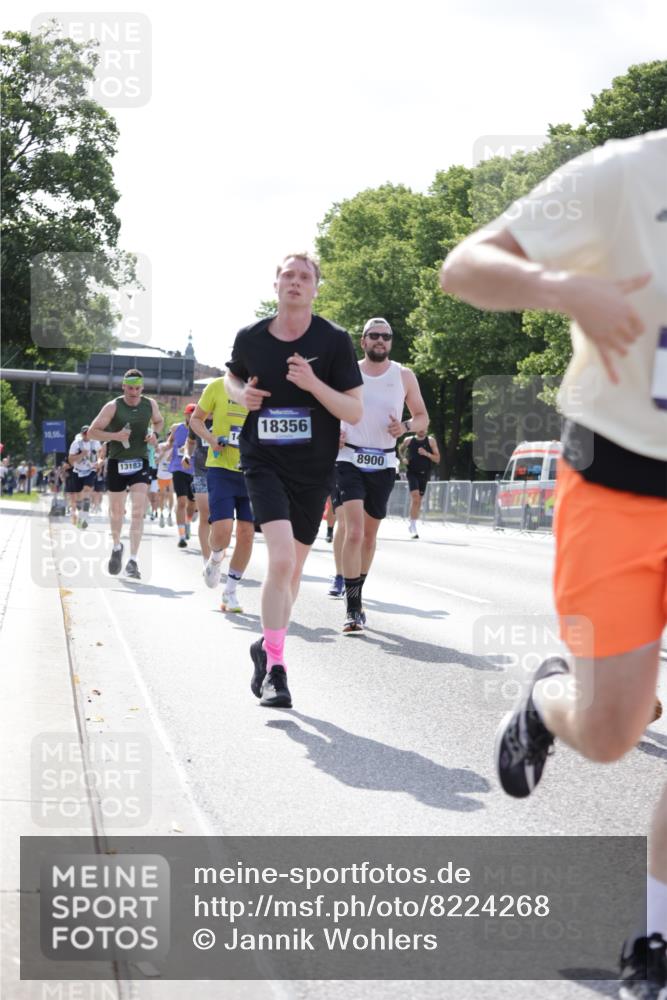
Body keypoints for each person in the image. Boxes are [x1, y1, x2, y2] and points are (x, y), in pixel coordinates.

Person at [440, 128, 667, 999]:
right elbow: (466, 266)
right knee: (610, 733)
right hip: (614, 487)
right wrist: (561, 287)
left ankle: (653, 938)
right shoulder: (624, 172)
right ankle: (545, 700)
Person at [225, 252, 363, 708]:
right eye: (288, 275)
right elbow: (231, 377)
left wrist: (313, 385)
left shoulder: (334, 340)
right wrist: (241, 395)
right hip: (263, 459)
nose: (296, 282)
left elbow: (353, 410)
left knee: (294, 571)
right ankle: (277, 671)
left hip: (313, 467)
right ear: (276, 284)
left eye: (305, 276)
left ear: (316, 288)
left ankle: (266, 645)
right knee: (281, 561)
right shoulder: (251, 336)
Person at [335, 317, 428, 633]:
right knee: (354, 532)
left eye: (386, 336)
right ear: (363, 341)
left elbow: (422, 417)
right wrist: (334, 432)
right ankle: (352, 608)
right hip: (349, 458)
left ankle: (357, 592)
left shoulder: (403, 375)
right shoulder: (348, 371)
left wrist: (405, 426)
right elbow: (327, 408)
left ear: (391, 342)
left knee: (369, 537)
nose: (380, 340)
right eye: (374, 335)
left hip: (384, 461)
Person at [88, 369, 164, 579]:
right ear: (123, 386)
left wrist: (155, 434)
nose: (134, 392)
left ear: (142, 388)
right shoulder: (112, 406)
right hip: (116, 462)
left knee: (138, 510)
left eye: (137, 388)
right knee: (116, 511)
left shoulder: (150, 404)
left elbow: (159, 421)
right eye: (130, 388)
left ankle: (133, 560)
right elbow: (92, 432)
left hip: (140, 462)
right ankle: (116, 547)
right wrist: (115, 436)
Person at [188, 377, 254, 611]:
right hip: (221, 469)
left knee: (247, 533)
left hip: (253, 471)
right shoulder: (217, 386)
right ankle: (215, 558)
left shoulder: (265, 387)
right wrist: (211, 439)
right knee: (223, 530)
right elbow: (196, 419)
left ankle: (231, 591)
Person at [398, 428, 440, 538]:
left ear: (426, 429)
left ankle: (413, 522)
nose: (422, 430)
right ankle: (413, 526)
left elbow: (437, 459)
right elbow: (400, 449)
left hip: (424, 474)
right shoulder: (408, 440)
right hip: (412, 472)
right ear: (416, 429)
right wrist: (403, 458)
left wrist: (426, 454)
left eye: (424, 428)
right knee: (415, 498)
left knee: (418, 501)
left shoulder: (431, 441)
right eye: (419, 428)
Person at [165, 410, 196, 548]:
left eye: (194, 414)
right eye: (190, 414)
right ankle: (182, 535)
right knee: (181, 501)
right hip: (179, 468)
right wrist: (163, 448)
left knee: (192, 504)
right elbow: (170, 442)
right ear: (186, 415)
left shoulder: (201, 428)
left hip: (195, 470)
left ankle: (188, 522)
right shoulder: (176, 428)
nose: (192, 417)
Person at [67, 425, 100, 529]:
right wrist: (81, 455)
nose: (87, 435)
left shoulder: (95, 443)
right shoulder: (76, 443)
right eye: (85, 433)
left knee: (86, 490)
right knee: (78, 497)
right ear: (82, 434)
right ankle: (81, 512)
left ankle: (84, 517)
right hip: (78, 471)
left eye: (89, 433)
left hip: (91, 470)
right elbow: (70, 460)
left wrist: (99, 463)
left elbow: (101, 455)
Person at [155, 441, 174, 527]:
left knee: (170, 495)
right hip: (161, 475)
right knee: (162, 495)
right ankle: (161, 515)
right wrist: (163, 453)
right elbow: (156, 461)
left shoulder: (176, 447)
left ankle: (170, 514)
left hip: (171, 475)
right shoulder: (160, 446)